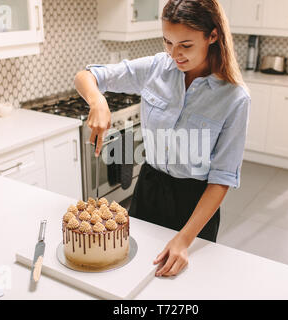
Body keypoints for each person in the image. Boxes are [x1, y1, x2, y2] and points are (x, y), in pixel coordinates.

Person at [74, 0, 250, 277]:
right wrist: (98, 102)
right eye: (167, 41)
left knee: (185, 285)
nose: (174, 53)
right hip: (149, 189)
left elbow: (223, 178)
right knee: (135, 273)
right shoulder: (157, 67)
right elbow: (86, 76)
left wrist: (183, 239)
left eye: (186, 45)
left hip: (195, 203)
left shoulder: (234, 98)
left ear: (212, 35)